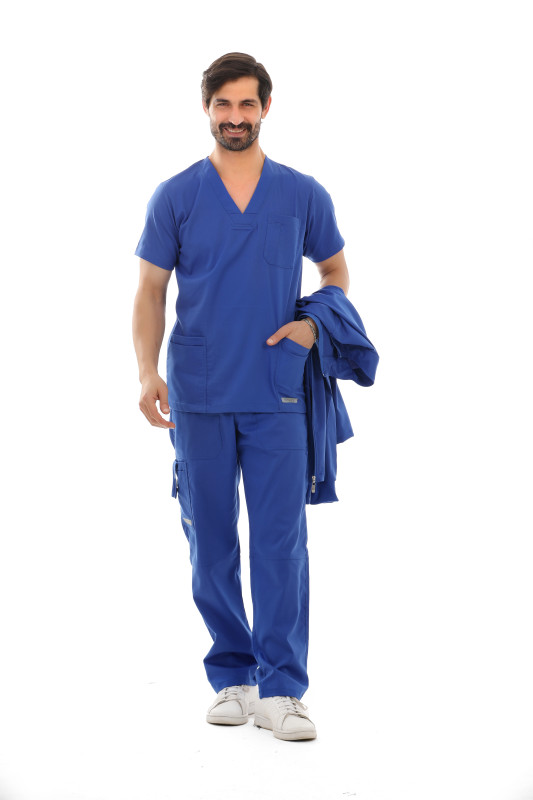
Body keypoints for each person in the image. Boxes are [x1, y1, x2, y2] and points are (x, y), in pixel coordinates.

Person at [132, 52, 350, 742]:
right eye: (223, 104)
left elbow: (336, 271)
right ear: (207, 109)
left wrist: (312, 326)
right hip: (197, 390)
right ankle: (233, 676)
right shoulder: (176, 195)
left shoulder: (302, 194)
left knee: (281, 542)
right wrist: (146, 372)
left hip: (276, 391)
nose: (234, 117)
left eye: (246, 104)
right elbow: (150, 290)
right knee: (210, 538)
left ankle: (283, 689)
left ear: (265, 108)